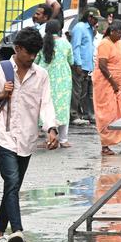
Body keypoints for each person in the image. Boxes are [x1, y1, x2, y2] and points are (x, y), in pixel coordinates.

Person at [0, 27, 58, 242]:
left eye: (35, 53)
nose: (32, 57)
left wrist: (51, 129)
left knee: (12, 187)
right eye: (28, 52)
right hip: (4, 135)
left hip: (28, 138)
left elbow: (46, 104)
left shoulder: (41, 75)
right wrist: (1, 95)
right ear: (17, 48)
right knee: (12, 181)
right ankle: (18, 231)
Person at [93, 20, 121, 155]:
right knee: (107, 114)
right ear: (112, 31)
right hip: (106, 83)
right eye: (119, 33)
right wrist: (113, 83)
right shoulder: (104, 43)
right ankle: (105, 145)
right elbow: (102, 66)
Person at [35, 19, 73, 148]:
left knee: (45, 106)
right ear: (59, 30)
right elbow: (71, 60)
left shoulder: (41, 44)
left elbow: (35, 61)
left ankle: (48, 138)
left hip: (44, 78)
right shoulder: (65, 43)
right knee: (63, 107)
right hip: (63, 80)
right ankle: (63, 139)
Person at [70, 9, 100, 125]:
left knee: (84, 92)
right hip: (80, 65)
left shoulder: (90, 29)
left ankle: (83, 114)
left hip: (87, 66)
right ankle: (73, 115)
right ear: (89, 18)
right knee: (76, 91)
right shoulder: (80, 27)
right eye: (95, 19)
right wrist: (78, 63)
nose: (96, 22)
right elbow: (75, 46)